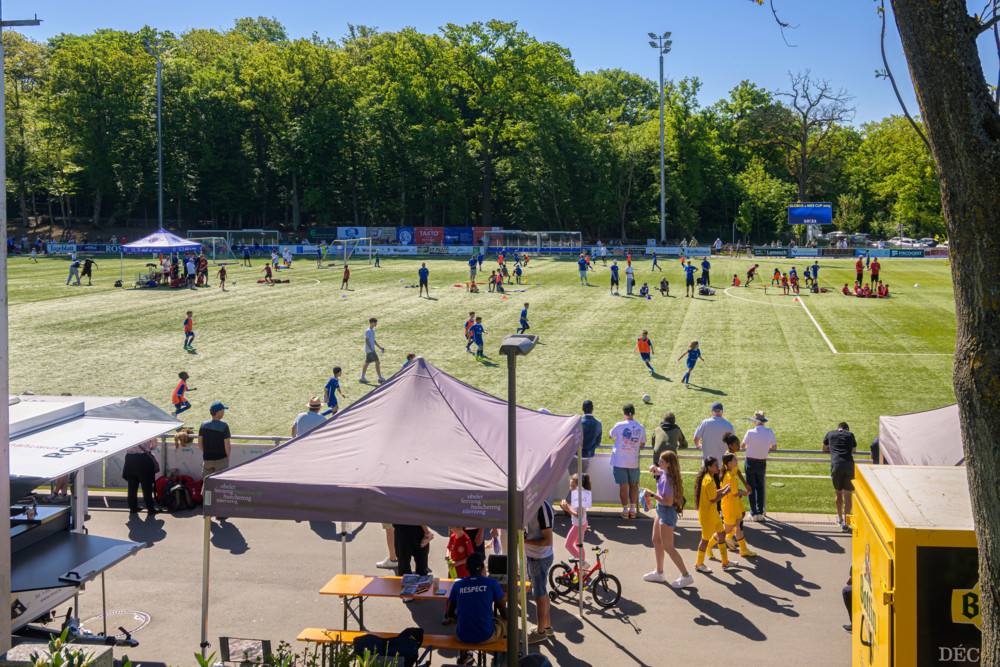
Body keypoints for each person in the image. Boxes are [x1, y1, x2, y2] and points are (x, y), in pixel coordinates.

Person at [444, 552, 506, 664]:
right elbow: (505, 613)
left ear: (467, 568)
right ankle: (505, 656)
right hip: (486, 636)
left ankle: (463, 656)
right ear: (483, 567)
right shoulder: (492, 583)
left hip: (463, 636)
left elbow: (450, 614)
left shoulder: (458, 585)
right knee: (505, 621)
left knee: (463, 623)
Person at [643, 451, 694, 587]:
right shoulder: (666, 474)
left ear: (669, 464)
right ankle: (659, 572)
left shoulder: (668, 480)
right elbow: (659, 471)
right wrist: (655, 469)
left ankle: (686, 575)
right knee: (656, 540)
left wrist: (651, 494)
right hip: (661, 511)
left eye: (661, 462)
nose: (658, 463)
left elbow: (668, 502)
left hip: (666, 511)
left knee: (668, 546)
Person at [709, 453, 756, 559]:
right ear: (729, 463)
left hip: (734, 505)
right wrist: (743, 492)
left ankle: (743, 549)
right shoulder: (730, 476)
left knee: (739, 526)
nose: (736, 461)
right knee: (727, 530)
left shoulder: (729, 474)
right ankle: (709, 544)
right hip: (730, 506)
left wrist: (741, 492)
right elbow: (734, 493)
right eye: (735, 460)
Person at [695, 457, 735, 573]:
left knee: (722, 534)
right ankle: (699, 563)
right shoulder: (708, 481)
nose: (718, 467)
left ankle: (725, 561)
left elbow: (712, 493)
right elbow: (713, 499)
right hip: (707, 516)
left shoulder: (710, 478)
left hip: (713, 514)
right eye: (716, 466)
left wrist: (722, 489)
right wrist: (725, 492)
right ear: (709, 468)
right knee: (705, 540)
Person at [523, 499, 555, 643]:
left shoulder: (541, 508)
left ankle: (541, 631)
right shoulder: (531, 505)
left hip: (540, 557)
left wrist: (524, 541)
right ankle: (546, 627)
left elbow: (547, 540)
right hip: (535, 557)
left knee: (539, 595)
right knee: (542, 591)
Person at [609, 404, 647, 519]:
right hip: (633, 461)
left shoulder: (619, 425)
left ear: (624, 414)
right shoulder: (640, 427)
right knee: (633, 485)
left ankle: (625, 511)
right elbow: (643, 443)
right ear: (634, 413)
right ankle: (633, 510)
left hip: (619, 461)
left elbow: (610, 435)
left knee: (623, 487)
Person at [741, 411, 777, 521]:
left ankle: (753, 513)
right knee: (760, 487)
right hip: (761, 463)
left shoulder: (750, 432)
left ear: (756, 422)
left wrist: (750, 448)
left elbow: (742, 446)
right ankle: (760, 513)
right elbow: (774, 447)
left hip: (750, 463)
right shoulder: (769, 432)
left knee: (750, 487)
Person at [822, 422, 857, 531]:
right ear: (846, 429)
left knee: (838, 493)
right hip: (849, 465)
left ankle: (840, 518)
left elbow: (824, 448)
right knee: (848, 495)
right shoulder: (850, 435)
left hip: (837, 465)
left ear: (838, 428)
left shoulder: (830, 434)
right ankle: (846, 522)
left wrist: (833, 449)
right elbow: (854, 450)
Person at [122, 437, 159, 516]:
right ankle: (150, 509)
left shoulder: (129, 429)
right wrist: (149, 448)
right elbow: (155, 444)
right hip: (144, 459)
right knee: (146, 486)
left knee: (132, 486)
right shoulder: (150, 429)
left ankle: (133, 508)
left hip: (130, 458)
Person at [559, 474, 590, 562]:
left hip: (578, 525)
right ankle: (582, 565)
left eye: (573, 486)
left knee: (568, 545)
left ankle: (582, 562)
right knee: (579, 544)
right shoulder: (581, 493)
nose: (571, 488)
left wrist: (567, 508)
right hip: (583, 523)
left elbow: (580, 515)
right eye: (570, 485)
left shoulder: (578, 496)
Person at [199, 402, 232, 479]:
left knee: (207, 484)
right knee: (220, 484)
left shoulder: (203, 425)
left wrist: (206, 453)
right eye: (223, 410)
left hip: (207, 460)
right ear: (219, 412)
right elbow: (227, 445)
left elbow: (199, 443)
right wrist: (227, 457)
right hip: (221, 460)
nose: (224, 412)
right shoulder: (224, 426)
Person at [578, 399, 602, 474]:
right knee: (582, 483)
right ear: (592, 410)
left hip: (575, 456)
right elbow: (598, 442)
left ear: (582, 409)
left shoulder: (578, 422)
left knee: (573, 483)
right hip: (586, 456)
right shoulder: (598, 424)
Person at [361, 317, 386, 384]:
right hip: (370, 350)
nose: (376, 324)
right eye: (375, 322)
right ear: (372, 323)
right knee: (377, 362)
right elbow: (367, 340)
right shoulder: (368, 331)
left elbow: (373, 341)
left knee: (367, 363)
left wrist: (380, 347)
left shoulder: (372, 331)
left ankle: (362, 377)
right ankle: (380, 377)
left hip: (370, 350)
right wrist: (371, 349)